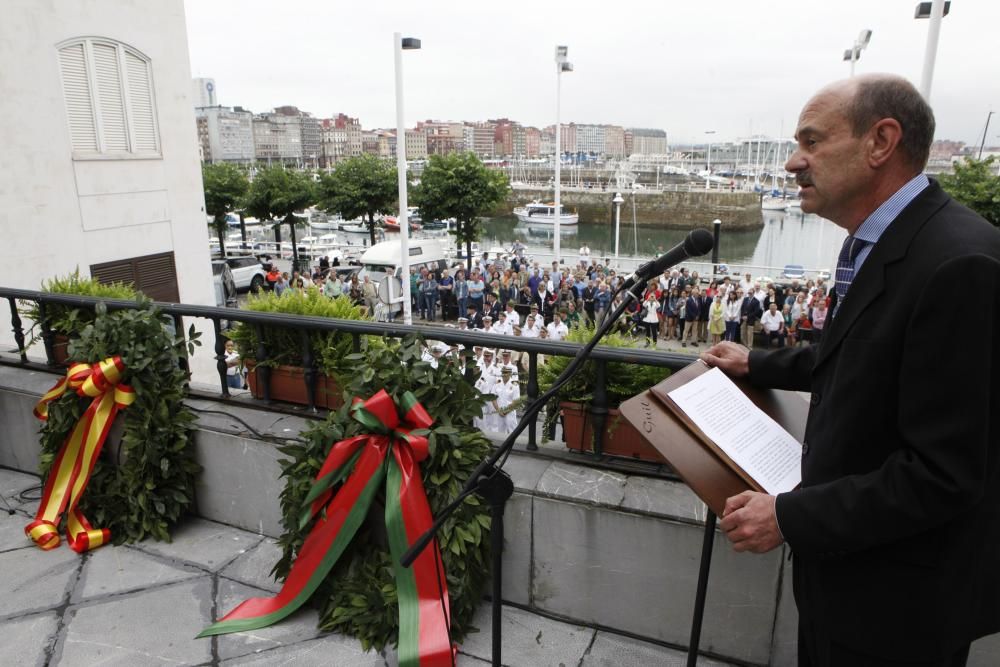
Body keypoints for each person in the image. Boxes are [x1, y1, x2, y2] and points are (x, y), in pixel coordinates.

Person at [702, 74, 1000, 666]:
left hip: (899, 604)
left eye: (811, 142)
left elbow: (942, 474)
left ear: (881, 142)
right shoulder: (875, 239)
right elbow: (865, 353)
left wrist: (789, 515)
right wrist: (759, 361)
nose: (792, 162)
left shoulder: (959, 263)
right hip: (845, 577)